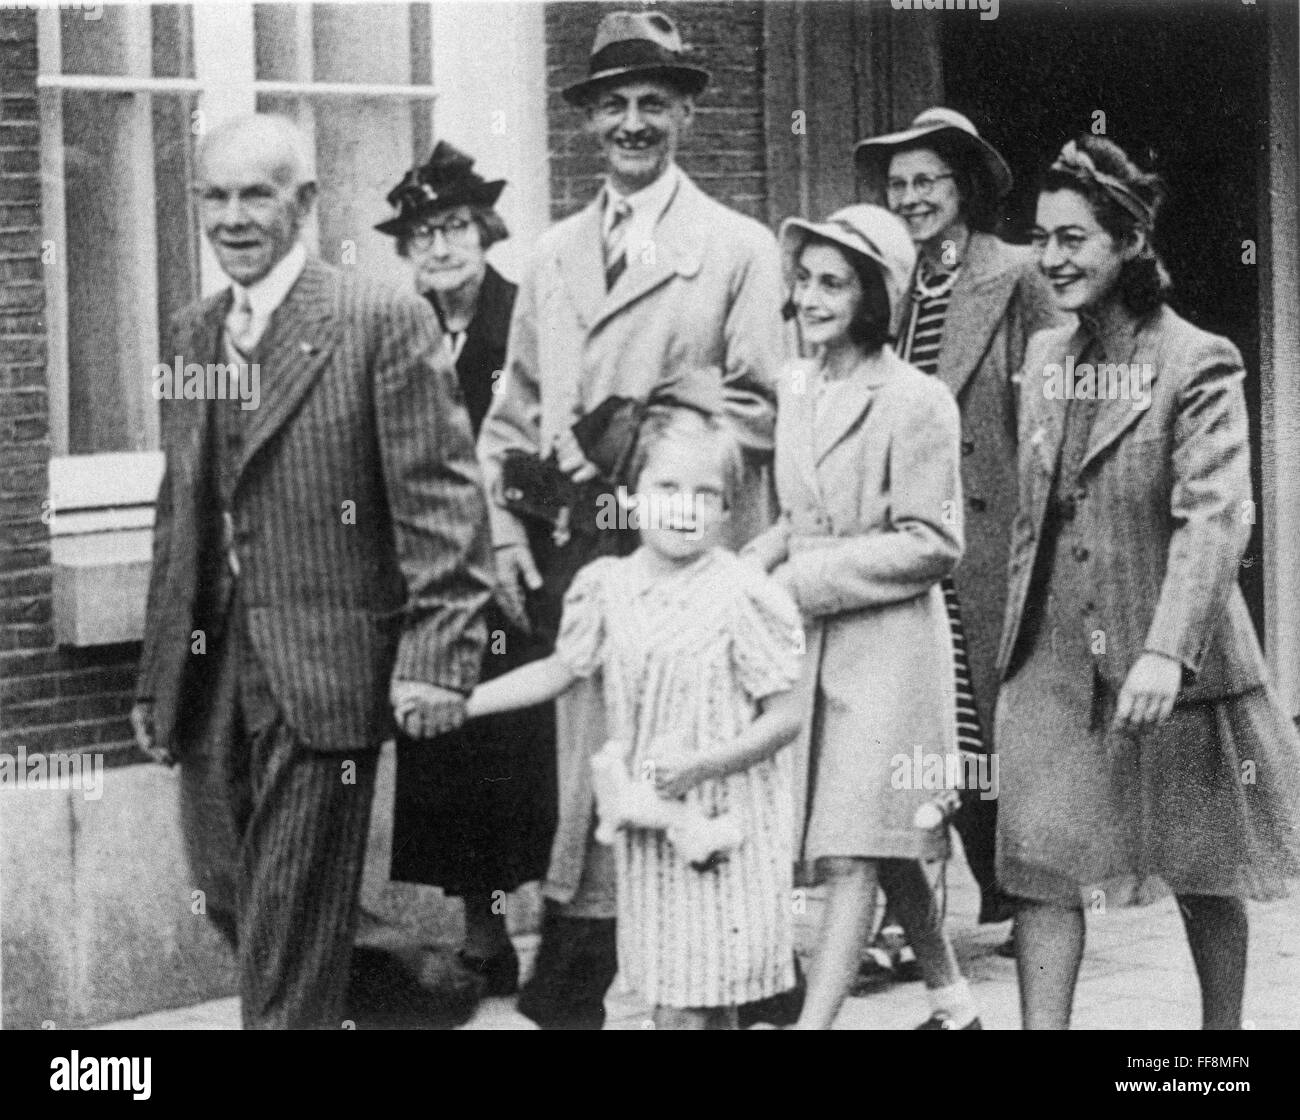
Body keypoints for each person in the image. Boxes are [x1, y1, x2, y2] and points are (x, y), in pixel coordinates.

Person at [131, 114, 494, 1029]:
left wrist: (436, 655)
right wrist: (157, 673)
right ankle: (409, 985)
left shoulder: (378, 321)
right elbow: (183, 509)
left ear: (303, 203)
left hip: (327, 660)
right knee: (225, 880)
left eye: (257, 194)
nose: (234, 217)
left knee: (289, 909)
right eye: (214, 195)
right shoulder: (194, 333)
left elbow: (442, 505)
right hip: (216, 665)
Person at [479, 9, 784, 1030]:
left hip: (687, 561)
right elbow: (515, 408)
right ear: (588, 124)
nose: (633, 123)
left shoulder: (737, 250)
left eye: (654, 102)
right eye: (613, 105)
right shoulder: (553, 256)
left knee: (685, 796)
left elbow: (761, 400)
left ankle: (730, 998)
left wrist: (655, 432)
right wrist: (511, 523)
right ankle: (578, 1004)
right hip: (584, 560)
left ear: (687, 113)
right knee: (593, 800)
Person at [998, 134, 1300, 1030]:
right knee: (1039, 866)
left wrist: (1167, 652)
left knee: (1202, 869)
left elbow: (1214, 516)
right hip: (1055, 654)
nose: (1051, 258)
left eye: (1074, 238)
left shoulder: (1197, 360)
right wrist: (1009, 659)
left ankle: (1218, 1054)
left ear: (1128, 242)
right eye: (1043, 236)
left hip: (1172, 659)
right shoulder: (1047, 359)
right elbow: (1031, 521)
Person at [468, 404, 804, 1029]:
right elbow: (561, 670)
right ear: (631, 496)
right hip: (651, 838)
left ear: (730, 511)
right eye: (666, 487)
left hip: (725, 833)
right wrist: (467, 702)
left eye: (706, 494)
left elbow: (786, 718)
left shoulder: (744, 596)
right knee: (688, 1000)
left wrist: (704, 763)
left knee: (690, 1003)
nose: (685, 505)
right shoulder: (608, 586)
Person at [744, 204, 982, 1030]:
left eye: (833, 283)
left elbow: (935, 541)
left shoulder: (917, 400)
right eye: (804, 279)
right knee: (881, 834)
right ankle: (956, 1007)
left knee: (852, 843)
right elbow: (796, 514)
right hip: (811, 645)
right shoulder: (800, 384)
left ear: (875, 296)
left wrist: (802, 578)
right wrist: (744, 572)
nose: (810, 298)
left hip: (888, 655)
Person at [851, 107, 1063, 978]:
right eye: (898, 186)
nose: (911, 199)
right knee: (923, 718)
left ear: (963, 186)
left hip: (992, 529)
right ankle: (918, 914)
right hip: (911, 528)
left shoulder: (1016, 275)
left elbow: (1053, 405)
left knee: (986, 718)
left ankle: (1021, 890)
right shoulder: (886, 281)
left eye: (927, 182)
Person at [375, 142, 555, 994]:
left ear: (484, 232)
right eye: (422, 236)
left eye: (453, 228)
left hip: (519, 569)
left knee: (529, 753)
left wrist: (510, 522)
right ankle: (482, 932)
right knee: (453, 754)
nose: (440, 248)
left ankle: (563, 929)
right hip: (434, 583)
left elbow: (551, 438)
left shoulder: (524, 318)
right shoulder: (396, 330)